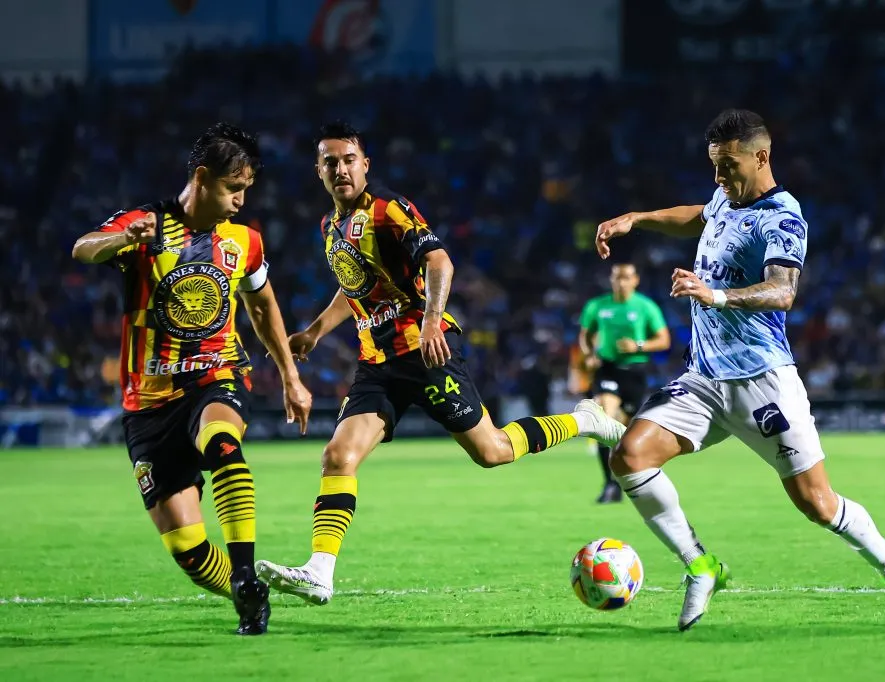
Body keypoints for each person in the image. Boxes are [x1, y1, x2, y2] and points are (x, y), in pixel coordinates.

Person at [255, 122, 624, 605]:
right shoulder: (331, 227)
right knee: (338, 456)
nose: (341, 169)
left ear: (365, 164)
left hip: (426, 353)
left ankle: (582, 419)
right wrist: (315, 332)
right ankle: (320, 571)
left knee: (492, 451)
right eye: (330, 162)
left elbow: (440, 262)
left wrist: (431, 321)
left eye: (349, 159)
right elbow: (356, 288)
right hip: (377, 363)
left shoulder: (389, 209)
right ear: (318, 171)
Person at [594, 109, 885, 630]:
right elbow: (698, 215)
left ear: (762, 157)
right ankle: (701, 566)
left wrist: (716, 294)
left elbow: (783, 291)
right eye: (714, 165)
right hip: (704, 380)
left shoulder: (782, 216)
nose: (719, 178)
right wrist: (636, 219)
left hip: (763, 382)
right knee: (630, 456)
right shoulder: (725, 199)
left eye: (728, 165)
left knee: (818, 504)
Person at [71, 123, 313, 635]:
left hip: (216, 375)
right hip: (148, 401)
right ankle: (247, 591)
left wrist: (290, 375)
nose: (241, 201)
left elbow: (263, 304)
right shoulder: (148, 225)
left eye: (246, 189)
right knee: (188, 550)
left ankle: (245, 573)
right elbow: (82, 249)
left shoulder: (244, 242)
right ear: (202, 178)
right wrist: (119, 239)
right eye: (234, 188)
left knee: (221, 441)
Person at [578, 263, 670, 503]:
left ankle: (624, 480)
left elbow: (663, 340)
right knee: (604, 419)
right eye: (617, 277)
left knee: (624, 434)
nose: (621, 282)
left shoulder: (645, 307)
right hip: (607, 368)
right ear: (611, 279)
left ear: (635, 280)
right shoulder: (597, 306)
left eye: (626, 277)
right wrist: (589, 354)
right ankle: (609, 484)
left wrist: (638, 346)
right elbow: (585, 335)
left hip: (635, 371)